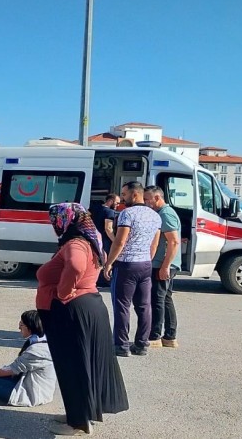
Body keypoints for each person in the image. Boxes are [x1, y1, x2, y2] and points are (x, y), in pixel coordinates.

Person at [37, 203, 129, 436]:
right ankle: (80, 413)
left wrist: (64, 291)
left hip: (72, 309)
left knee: (72, 366)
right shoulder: (91, 238)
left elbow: (76, 265)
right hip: (88, 306)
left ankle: (77, 422)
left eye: (55, 221)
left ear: (64, 222)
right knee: (84, 364)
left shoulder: (75, 243)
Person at [103, 181, 162, 357]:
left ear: (135, 194)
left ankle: (121, 345)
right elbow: (155, 243)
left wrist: (109, 263)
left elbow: (120, 241)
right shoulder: (155, 216)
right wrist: (147, 259)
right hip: (145, 264)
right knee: (144, 306)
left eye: (125, 194)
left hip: (127, 264)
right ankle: (142, 343)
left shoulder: (126, 214)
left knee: (122, 305)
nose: (122, 198)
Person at [144, 185, 181, 348]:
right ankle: (170, 337)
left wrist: (165, 266)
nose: (145, 202)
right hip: (162, 263)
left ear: (157, 198)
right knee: (165, 299)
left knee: (157, 299)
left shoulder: (165, 214)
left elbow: (173, 241)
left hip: (162, 264)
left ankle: (155, 336)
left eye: (147, 199)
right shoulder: (161, 213)